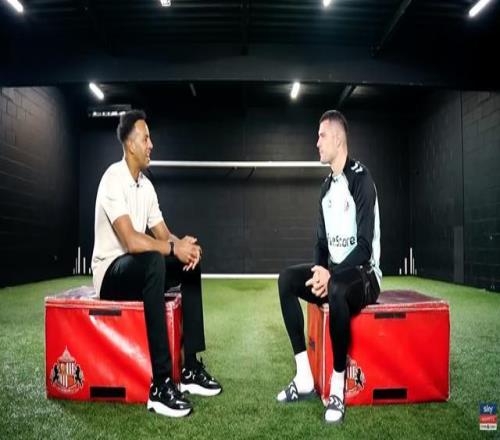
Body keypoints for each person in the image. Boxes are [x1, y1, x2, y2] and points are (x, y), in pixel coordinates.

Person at [91, 110, 222, 418]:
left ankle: (189, 368)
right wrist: (172, 247)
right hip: (110, 273)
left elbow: (163, 235)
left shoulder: (146, 186)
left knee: (188, 264)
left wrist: (184, 247)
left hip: (138, 267)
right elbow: (131, 241)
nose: (151, 145)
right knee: (154, 260)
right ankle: (161, 385)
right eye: (145, 138)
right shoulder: (112, 179)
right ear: (129, 144)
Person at [276, 110, 381, 424]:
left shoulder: (361, 179)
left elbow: (364, 248)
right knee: (286, 280)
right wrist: (320, 272)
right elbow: (321, 244)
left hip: (365, 275)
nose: (317, 142)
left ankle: (337, 388)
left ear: (337, 138)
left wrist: (331, 276)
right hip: (335, 274)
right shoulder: (325, 189)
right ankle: (304, 377)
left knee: (335, 288)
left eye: (321, 136)